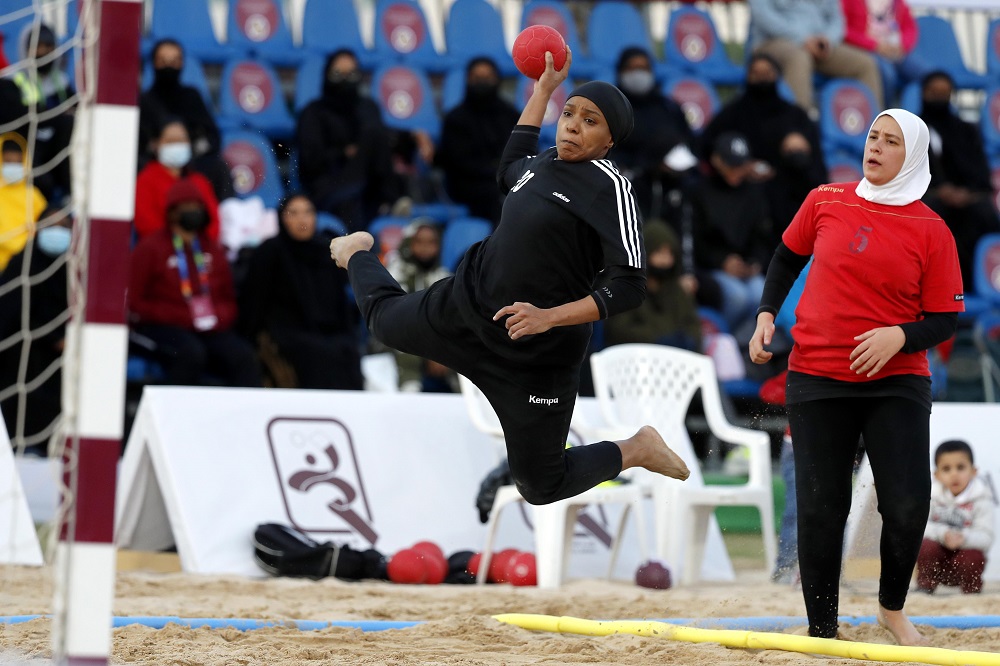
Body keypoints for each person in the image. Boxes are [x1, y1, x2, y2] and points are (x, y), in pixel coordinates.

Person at [328, 48, 691, 508]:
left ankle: (636, 448)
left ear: (610, 140)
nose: (573, 124)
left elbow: (629, 286)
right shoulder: (540, 164)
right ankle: (357, 250)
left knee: (541, 485)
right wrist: (542, 91)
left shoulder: (611, 186)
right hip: (466, 307)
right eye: (570, 113)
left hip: (535, 353)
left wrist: (548, 317)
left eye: (591, 120)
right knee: (381, 320)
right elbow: (507, 168)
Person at [749, 108, 964, 645]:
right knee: (823, 506)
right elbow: (785, 256)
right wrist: (766, 313)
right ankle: (824, 627)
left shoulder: (932, 230)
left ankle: (891, 610)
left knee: (909, 500)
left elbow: (945, 317)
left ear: (911, 156)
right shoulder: (825, 199)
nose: (876, 147)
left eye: (891, 142)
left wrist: (899, 336)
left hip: (897, 381)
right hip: (817, 374)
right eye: (873, 136)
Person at [128, 178, 261, 388]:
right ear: (172, 212)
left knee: (243, 357)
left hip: (208, 327)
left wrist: (218, 317)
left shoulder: (212, 249)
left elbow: (228, 298)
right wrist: (178, 316)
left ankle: (245, 416)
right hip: (162, 327)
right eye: (185, 206)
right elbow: (133, 302)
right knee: (190, 354)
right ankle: (175, 415)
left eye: (196, 206)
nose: (193, 211)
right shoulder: (151, 247)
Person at [238, 193, 363, 390]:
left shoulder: (325, 252)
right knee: (314, 353)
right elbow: (254, 301)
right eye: (293, 213)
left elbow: (340, 304)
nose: (301, 219)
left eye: (307, 212)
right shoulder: (270, 251)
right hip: (285, 331)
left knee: (347, 350)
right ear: (282, 218)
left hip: (327, 331)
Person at [700, 54, 828, 245]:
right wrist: (741, 166)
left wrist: (799, 152)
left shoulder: (795, 116)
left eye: (767, 72)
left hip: (787, 194)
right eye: (756, 73)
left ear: (777, 76)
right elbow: (707, 148)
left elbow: (817, 171)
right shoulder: (733, 114)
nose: (762, 78)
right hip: (744, 196)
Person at [297, 49, 406, 232]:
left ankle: (391, 200)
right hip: (329, 186)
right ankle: (392, 200)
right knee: (351, 204)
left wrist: (414, 135)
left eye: (351, 73)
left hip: (368, 186)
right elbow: (310, 161)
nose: (345, 79)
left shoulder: (368, 107)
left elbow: (384, 138)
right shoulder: (313, 113)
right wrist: (343, 153)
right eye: (338, 73)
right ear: (327, 75)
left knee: (375, 136)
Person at [0, 204, 71, 455]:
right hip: (20, 346)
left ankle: (53, 443)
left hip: (64, 349)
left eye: (64, 227)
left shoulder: (75, 267)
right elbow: (10, 312)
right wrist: (51, 337)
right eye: (51, 225)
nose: (57, 232)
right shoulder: (22, 263)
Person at [919, 70, 1000, 291]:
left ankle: (979, 286)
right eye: (933, 93)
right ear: (923, 93)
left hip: (968, 199)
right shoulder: (912, 130)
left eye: (944, 93)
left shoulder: (966, 130)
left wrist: (966, 194)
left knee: (983, 214)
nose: (938, 98)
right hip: (931, 196)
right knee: (930, 213)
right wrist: (939, 190)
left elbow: (981, 176)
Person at [692, 132, 772, 330]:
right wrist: (722, 262)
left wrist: (755, 262)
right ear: (716, 161)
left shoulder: (754, 193)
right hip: (712, 267)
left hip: (746, 268)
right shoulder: (700, 192)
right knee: (737, 296)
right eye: (732, 165)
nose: (737, 171)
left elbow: (762, 235)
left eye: (741, 165)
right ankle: (724, 340)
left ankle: (745, 344)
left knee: (760, 293)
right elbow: (695, 241)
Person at [748, 0, 883, 117]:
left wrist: (827, 40)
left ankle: (875, 134)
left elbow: (837, 20)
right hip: (773, 41)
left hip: (820, 44)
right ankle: (800, 132)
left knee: (866, 64)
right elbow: (764, 17)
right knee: (800, 58)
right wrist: (803, 39)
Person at [612, 46, 699, 226]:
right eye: (632, 68)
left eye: (644, 68)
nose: (638, 74)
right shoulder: (611, 108)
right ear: (620, 71)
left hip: (671, 189)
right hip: (627, 190)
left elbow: (689, 144)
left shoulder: (668, 108)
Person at [138, 38, 232, 200]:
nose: (169, 66)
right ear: (154, 63)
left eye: (174, 61)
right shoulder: (144, 101)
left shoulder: (191, 97)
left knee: (218, 167)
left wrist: (190, 150)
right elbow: (140, 143)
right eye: (163, 61)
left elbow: (212, 138)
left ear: (182, 63)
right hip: (154, 165)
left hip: (192, 163)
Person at [436, 57, 520, 225]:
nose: (482, 82)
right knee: (494, 196)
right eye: (477, 77)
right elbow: (456, 162)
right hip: (469, 185)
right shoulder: (456, 118)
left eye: (487, 77)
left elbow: (522, 150)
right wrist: (495, 173)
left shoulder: (509, 114)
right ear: (468, 80)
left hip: (506, 178)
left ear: (497, 79)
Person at [604, 220, 701, 352]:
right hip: (635, 358)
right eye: (659, 253)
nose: (665, 260)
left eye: (670, 254)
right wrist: (657, 340)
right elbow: (620, 329)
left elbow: (693, 326)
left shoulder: (678, 291)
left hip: (677, 360)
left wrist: (686, 340)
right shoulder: (624, 287)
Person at [384, 217, 455, 392]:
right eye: (419, 242)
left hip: (434, 343)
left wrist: (440, 351)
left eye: (431, 242)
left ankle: (474, 408)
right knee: (407, 354)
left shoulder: (444, 277)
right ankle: (410, 399)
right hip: (398, 338)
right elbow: (398, 316)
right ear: (408, 243)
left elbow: (450, 318)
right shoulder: (395, 272)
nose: (425, 248)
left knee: (463, 350)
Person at [6, 23, 74, 200]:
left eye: (48, 47)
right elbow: (12, 117)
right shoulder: (11, 80)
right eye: (37, 47)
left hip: (55, 153)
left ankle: (69, 193)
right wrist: (55, 116)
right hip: (24, 148)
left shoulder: (62, 83)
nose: (42, 52)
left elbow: (74, 113)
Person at [917, 439, 995, 594]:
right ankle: (925, 588)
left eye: (960, 467)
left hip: (964, 561)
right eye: (946, 469)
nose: (954, 474)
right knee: (926, 547)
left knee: (974, 555)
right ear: (937, 475)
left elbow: (986, 537)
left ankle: (971, 592)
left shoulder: (982, 500)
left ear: (974, 471)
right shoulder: (930, 497)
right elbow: (920, 527)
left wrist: (963, 538)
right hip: (938, 561)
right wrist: (943, 534)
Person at [134, 119, 222, 242]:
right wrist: (176, 243)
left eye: (181, 141)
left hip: (199, 251)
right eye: (170, 141)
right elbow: (145, 222)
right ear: (156, 144)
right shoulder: (145, 180)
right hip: (160, 252)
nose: (176, 146)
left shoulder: (199, 181)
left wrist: (198, 244)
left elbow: (214, 222)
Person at [841, 0, 929, 101]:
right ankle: (885, 113)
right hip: (867, 50)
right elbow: (843, 30)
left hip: (896, 50)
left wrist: (902, 45)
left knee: (929, 75)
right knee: (887, 75)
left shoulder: (897, 2)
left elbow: (910, 28)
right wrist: (875, 46)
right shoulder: (849, 2)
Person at [0, 134, 46, 272]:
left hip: (24, 265)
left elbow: (42, 226)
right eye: (8, 162)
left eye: (18, 163)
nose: (13, 167)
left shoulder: (33, 195)